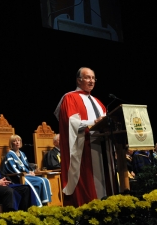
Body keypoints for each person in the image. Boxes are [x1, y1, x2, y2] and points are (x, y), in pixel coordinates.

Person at [54, 67, 113, 207]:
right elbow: (71, 122)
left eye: (93, 78)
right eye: (87, 77)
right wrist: (93, 123)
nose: (91, 81)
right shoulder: (70, 98)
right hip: (83, 149)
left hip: (101, 148)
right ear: (79, 80)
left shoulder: (99, 102)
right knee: (86, 184)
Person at [3, 134, 52, 207]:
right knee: (40, 181)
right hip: (17, 177)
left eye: (19, 140)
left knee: (45, 180)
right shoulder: (9, 155)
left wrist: (31, 171)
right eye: (15, 141)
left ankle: (45, 202)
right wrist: (27, 174)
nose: (17, 142)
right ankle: (37, 205)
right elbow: (13, 169)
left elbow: (26, 165)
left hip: (26, 175)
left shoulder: (22, 154)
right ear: (11, 143)